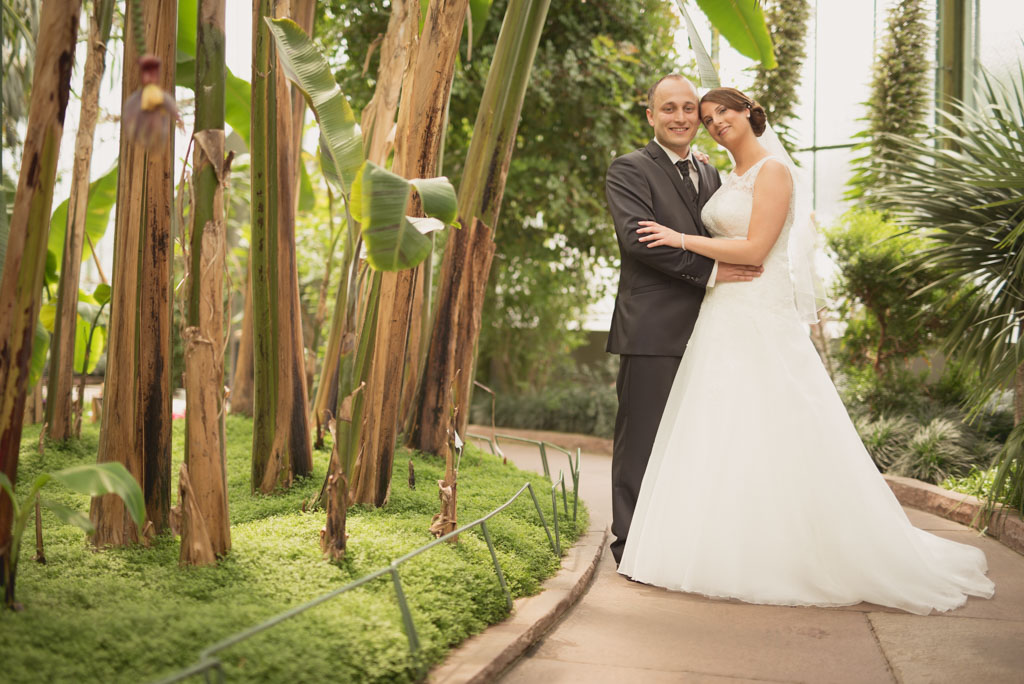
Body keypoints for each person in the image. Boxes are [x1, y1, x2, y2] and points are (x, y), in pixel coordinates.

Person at [617, 87, 995, 615]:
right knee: (720, 432)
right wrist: (702, 238)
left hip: (754, 309)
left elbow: (753, 250)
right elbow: (697, 225)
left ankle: (795, 551)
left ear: (750, 111)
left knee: (781, 425)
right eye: (707, 117)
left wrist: (681, 239)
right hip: (720, 315)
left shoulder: (774, 171)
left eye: (721, 111)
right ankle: (715, 543)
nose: (713, 121)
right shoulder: (715, 174)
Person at [604, 75, 763, 565]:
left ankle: (678, 543)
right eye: (667, 108)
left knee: (698, 442)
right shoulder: (629, 170)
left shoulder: (713, 173)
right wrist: (714, 271)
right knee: (643, 442)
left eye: (689, 108)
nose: (680, 117)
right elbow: (640, 241)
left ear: (700, 115)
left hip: (713, 330)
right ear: (651, 116)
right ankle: (630, 545)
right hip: (653, 329)